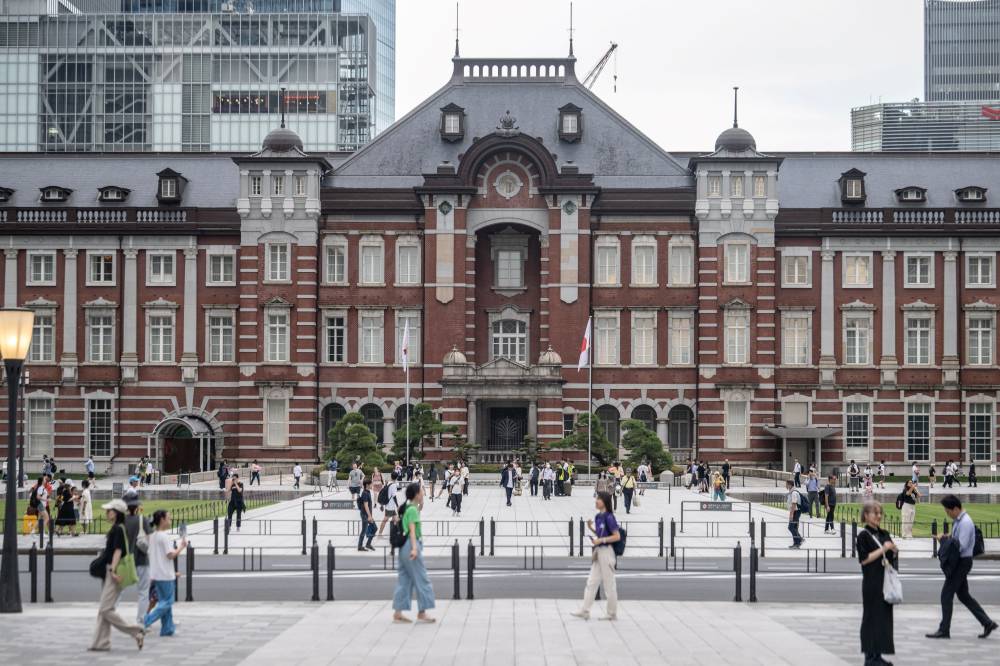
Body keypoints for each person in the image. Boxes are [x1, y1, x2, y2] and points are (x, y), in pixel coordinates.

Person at [927, 495, 997, 639]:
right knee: (964, 596)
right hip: (961, 561)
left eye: (948, 511)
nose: (947, 513)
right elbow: (956, 539)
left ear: (956, 508)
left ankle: (944, 630)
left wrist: (945, 540)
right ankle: (987, 622)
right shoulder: (959, 521)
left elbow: (961, 545)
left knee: (946, 595)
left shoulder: (965, 522)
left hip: (961, 562)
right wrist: (946, 537)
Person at [90, 499, 145, 651]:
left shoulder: (118, 529)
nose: (106, 513)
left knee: (106, 609)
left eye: (109, 510)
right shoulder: (118, 528)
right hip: (112, 570)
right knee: (104, 609)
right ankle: (101, 643)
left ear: (116, 513)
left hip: (113, 571)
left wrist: (112, 571)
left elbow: (118, 551)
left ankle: (136, 631)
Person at [856, 500, 898, 666]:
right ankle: (869, 657)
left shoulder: (884, 533)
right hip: (872, 582)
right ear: (866, 515)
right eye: (875, 513)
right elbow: (864, 560)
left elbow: (890, 558)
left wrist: (893, 551)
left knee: (884, 619)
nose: (879, 516)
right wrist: (884, 549)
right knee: (871, 618)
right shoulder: (863, 536)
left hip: (885, 581)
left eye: (880, 513)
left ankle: (878, 654)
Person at [571, 491, 621, 621]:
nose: (596, 501)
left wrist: (601, 541)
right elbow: (601, 534)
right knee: (592, 582)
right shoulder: (598, 517)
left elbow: (616, 536)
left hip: (607, 552)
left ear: (604, 501)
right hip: (598, 552)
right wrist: (591, 528)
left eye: (598, 499)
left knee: (609, 585)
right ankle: (585, 610)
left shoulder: (609, 517)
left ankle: (611, 613)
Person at [390, 482, 435, 623]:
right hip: (411, 546)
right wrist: (415, 548)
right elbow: (412, 530)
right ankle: (422, 612)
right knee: (422, 579)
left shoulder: (409, 508)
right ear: (416, 494)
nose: (423, 493)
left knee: (404, 580)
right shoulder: (412, 510)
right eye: (422, 491)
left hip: (404, 548)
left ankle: (398, 612)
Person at [144, 509, 187, 637]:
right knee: (167, 602)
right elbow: (170, 555)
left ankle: (167, 628)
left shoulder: (152, 536)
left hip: (156, 574)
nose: (170, 520)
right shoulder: (164, 536)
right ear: (162, 520)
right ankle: (145, 621)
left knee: (164, 602)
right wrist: (181, 547)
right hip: (165, 575)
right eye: (168, 517)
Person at [124, 499, 152, 625]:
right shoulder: (142, 520)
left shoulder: (122, 522)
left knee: (119, 591)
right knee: (143, 592)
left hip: (126, 560)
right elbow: (150, 538)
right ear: (137, 507)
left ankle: (109, 613)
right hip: (141, 558)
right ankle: (141, 619)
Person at [378, 472, 401, 537]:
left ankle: (396, 533)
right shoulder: (393, 485)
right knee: (385, 520)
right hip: (390, 506)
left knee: (395, 519)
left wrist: (382, 505)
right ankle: (380, 534)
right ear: (396, 478)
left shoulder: (388, 483)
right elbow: (394, 496)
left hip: (389, 505)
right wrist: (397, 505)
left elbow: (384, 493)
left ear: (391, 476)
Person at [357, 478, 376, 551]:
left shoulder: (367, 492)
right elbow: (366, 505)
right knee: (364, 530)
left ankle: (368, 544)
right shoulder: (365, 493)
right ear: (367, 485)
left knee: (374, 528)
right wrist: (369, 516)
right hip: (365, 515)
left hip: (367, 514)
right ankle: (360, 546)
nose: (372, 485)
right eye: (371, 484)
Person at [785, 479, 804, 549]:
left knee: (791, 527)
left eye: (786, 484)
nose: (786, 486)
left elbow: (794, 504)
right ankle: (796, 543)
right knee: (794, 527)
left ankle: (799, 539)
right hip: (795, 512)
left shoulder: (793, 493)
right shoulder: (792, 492)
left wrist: (791, 514)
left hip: (795, 512)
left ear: (790, 485)